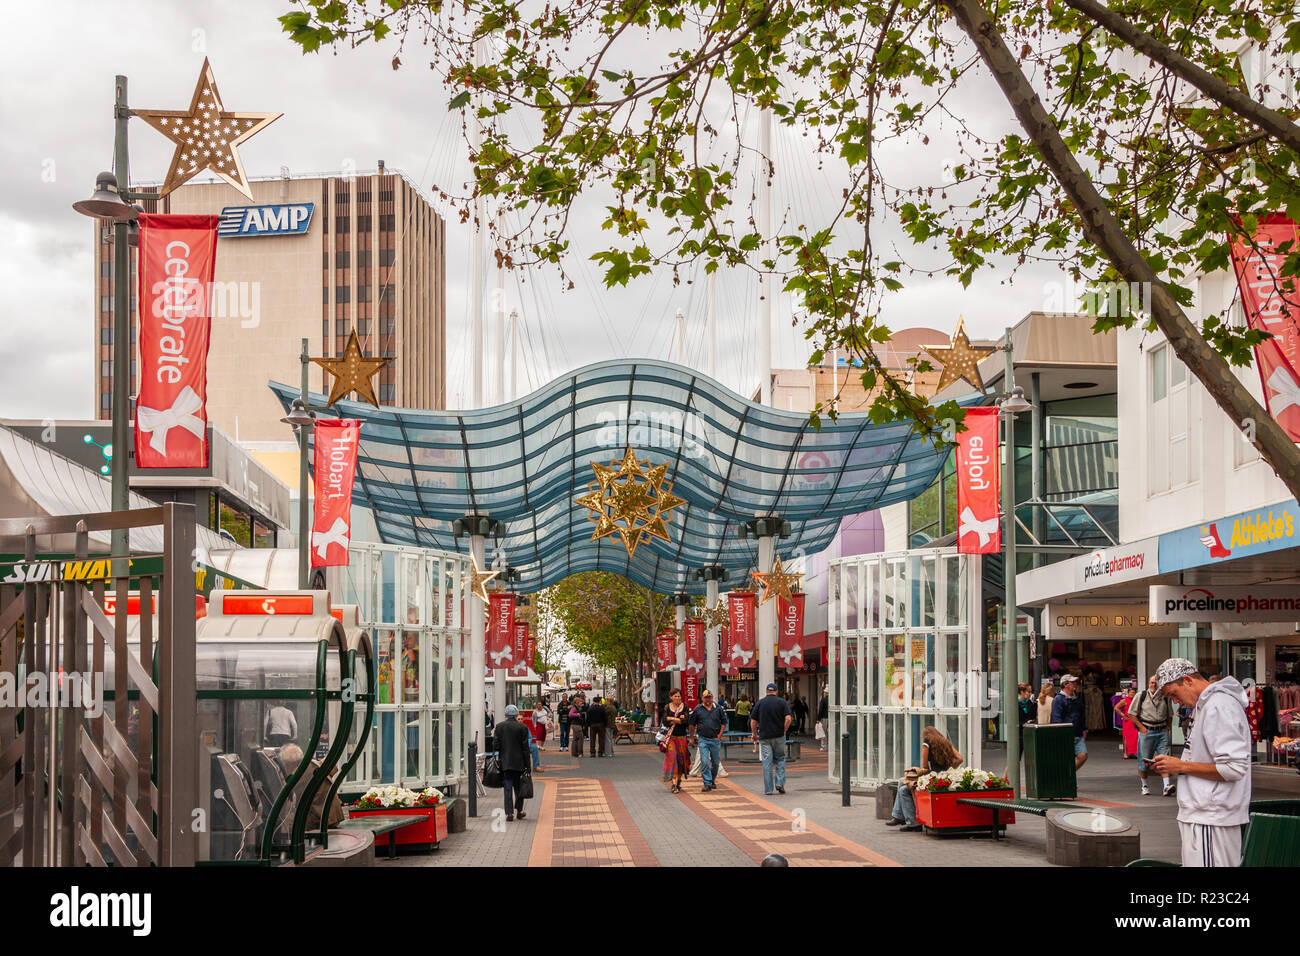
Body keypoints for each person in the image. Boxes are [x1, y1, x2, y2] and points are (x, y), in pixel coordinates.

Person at [1149, 659, 1251, 867]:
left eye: (1173, 694)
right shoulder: (1209, 705)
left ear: (1187, 680)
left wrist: (1180, 766)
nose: (1175, 702)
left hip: (1210, 815)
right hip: (1207, 814)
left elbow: (1233, 768)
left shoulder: (1218, 706)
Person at [887, 726, 963, 833]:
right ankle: (905, 819)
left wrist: (925, 772)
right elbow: (960, 758)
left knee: (903, 783)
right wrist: (950, 767)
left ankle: (902, 818)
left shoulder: (927, 742)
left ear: (926, 735)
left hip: (934, 778)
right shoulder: (946, 742)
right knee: (902, 788)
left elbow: (924, 766)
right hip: (946, 776)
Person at [1130, 674, 1175, 796]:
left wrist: (1167, 728)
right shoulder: (1141, 695)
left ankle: (1166, 786)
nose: (1153, 685)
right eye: (1151, 683)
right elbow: (1131, 714)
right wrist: (1142, 728)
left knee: (1164, 758)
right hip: (1147, 731)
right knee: (1144, 760)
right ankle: (1144, 785)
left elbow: (1170, 714)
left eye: (1155, 683)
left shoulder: (1165, 697)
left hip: (1162, 731)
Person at [749, 683, 793, 796]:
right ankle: (780, 783)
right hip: (779, 736)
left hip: (764, 737)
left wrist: (754, 734)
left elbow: (753, 722)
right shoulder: (782, 702)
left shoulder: (760, 703)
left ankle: (768, 789)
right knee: (780, 758)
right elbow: (788, 718)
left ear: (766, 691)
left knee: (767, 762)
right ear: (776, 691)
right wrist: (784, 729)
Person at [492, 704, 532, 822]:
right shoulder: (522, 728)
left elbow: (496, 745)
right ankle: (519, 811)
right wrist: (527, 765)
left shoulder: (499, 727)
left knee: (507, 788)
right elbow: (525, 748)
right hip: (519, 763)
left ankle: (509, 813)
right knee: (519, 787)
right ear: (516, 715)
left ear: (506, 715)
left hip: (505, 762)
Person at [690, 688, 727, 792]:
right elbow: (692, 724)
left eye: (709, 697)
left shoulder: (718, 708)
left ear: (712, 698)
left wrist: (719, 735)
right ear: (702, 698)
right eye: (706, 697)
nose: (708, 699)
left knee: (715, 763)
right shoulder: (698, 709)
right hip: (703, 739)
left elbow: (724, 722)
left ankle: (712, 779)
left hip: (715, 739)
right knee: (705, 761)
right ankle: (707, 783)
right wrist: (692, 737)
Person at [1050, 674, 1088, 770]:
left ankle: (1068, 774)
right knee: (1066, 758)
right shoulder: (1058, 699)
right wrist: (1060, 733)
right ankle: (1067, 776)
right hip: (1065, 734)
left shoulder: (1077, 698)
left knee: (1083, 756)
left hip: (1077, 733)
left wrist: (1084, 729)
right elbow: (1056, 718)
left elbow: (1081, 714)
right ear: (1066, 684)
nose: (1075, 684)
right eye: (1072, 682)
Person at [662, 688, 691, 793]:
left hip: (682, 738)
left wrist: (672, 718)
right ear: (671, 697)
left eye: (679, 696)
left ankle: (678, 781)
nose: (677, 698)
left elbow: (686, 721)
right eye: (675, 696)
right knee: (672, 758)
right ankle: (674, 784)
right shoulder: (667, 707)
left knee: (681, 761)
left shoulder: (685, 707)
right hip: (671, 738)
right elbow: (664, 721)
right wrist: (678, 719)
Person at [1113, 684, 1139, 759]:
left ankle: (1132, 753)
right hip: (1127, 721)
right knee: (1126, 737)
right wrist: (1123, 715)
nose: (1132, 694)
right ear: (1128, 693)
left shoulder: (1136, 700)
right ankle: (1125, 753)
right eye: (1131, 692)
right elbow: (1116, 708)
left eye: (1133, 693)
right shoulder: (1125, 700)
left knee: (1134, 738)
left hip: (1134, 720)